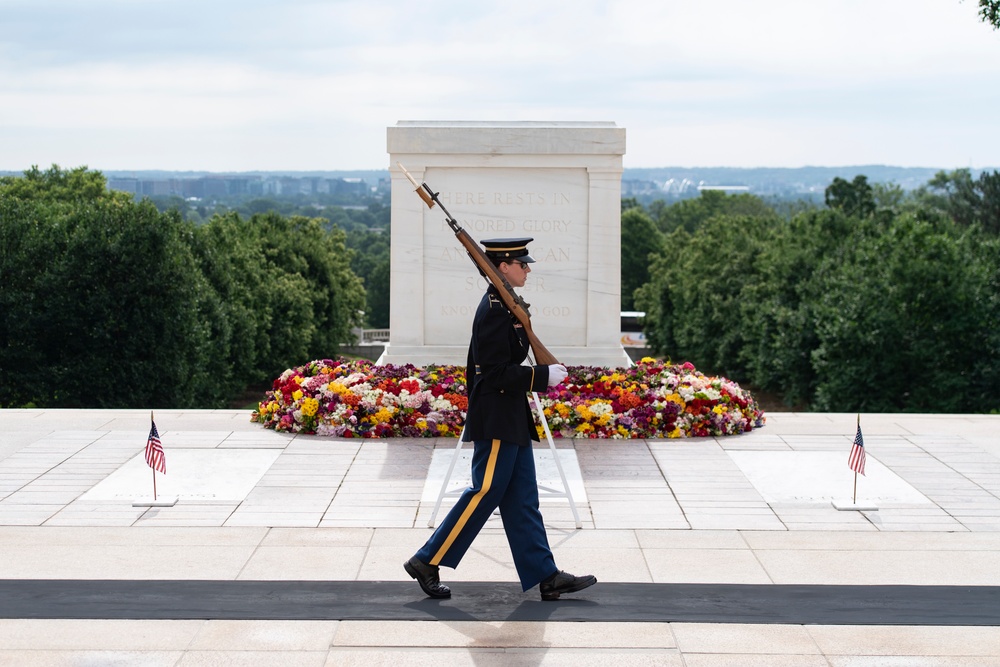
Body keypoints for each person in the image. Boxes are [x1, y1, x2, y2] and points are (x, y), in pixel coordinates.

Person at [404, 237, 597, 601]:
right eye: (522, 264)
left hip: (511, 416)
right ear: (503, 267)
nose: (527, 269)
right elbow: (493, 373)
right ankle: (426, 560)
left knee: (522, 499)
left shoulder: (506, 307)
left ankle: (546, 574)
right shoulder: (494, 309)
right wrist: (540, 378)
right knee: (485, 491)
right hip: (496, 416)